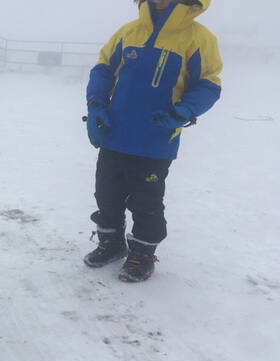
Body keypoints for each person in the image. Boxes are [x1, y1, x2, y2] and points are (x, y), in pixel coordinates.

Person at [83, 0, 222, 282]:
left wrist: (183, 111)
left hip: (155, 140)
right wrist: (96, 104)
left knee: (146, 201)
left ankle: (143, 255)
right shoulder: (128, 32)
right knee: (106, 194)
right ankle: (111, 243)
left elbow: (208, 83)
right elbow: (102, 70)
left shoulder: (198, 38)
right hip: (114, 135)